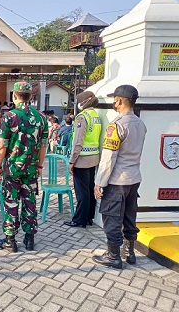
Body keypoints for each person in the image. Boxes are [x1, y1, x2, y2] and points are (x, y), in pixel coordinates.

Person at [93, 85, 147, 269]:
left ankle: (113, 255)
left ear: (120, 100)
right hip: (134, 178)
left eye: (114, 99)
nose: (114, 103)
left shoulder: (116, 126)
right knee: (129, 216)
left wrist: (99, 182)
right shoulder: (140, 124)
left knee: (112, 217)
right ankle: (129, 252)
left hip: (117, 180)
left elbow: (109, 158)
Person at [0, 82, 48, 252]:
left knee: (11, 202)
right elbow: (43, 145)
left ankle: (10, 241)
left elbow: (1, 146)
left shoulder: (9, 117)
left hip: (12, 169)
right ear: (31, 97)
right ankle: (29, 239)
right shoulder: (41, 118)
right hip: (31, 169)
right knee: (29, 201)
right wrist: (40, 165)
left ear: (14, 96)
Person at [63, 91, 101, 229]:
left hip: (82, 159)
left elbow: (78, 142)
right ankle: (89, 216)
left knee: (82, 192)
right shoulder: (95, 116)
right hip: (94, 158)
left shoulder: (82, 117)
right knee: (90, 189)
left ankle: (80, 219)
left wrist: (72, 161)